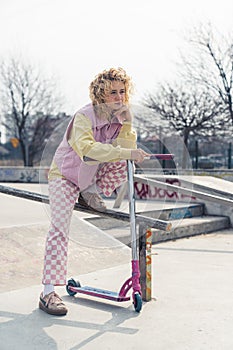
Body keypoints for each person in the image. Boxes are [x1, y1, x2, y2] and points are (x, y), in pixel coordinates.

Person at [39, 67, 149, 315]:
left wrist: (129, 124)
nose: (119, 98)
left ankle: (90, 192)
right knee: (59, 227)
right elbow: (88, 151)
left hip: (89, 178)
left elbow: (125, 152)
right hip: (65, 177)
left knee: (125, 163)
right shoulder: (84, 116)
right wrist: (125, 151)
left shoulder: (119, 118)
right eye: (113, 93)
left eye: (122, 92)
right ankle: (47, 293)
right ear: (100, 95)